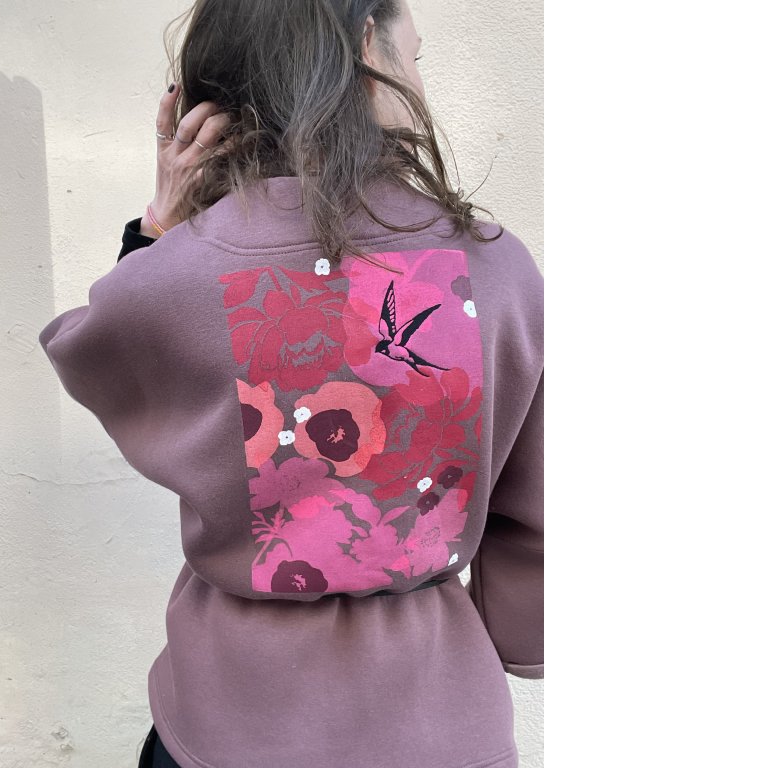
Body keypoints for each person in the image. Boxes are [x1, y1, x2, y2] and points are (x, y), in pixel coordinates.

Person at [39, 1, 543, 766]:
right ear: (366, 45)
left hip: (227, 720)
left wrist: (158, 230)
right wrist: (520, 634)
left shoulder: (182, 273)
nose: (418, 80)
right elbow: (533, 505)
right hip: (435, 722)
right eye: (415, 56)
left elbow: (96, 356)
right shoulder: (498, 268)